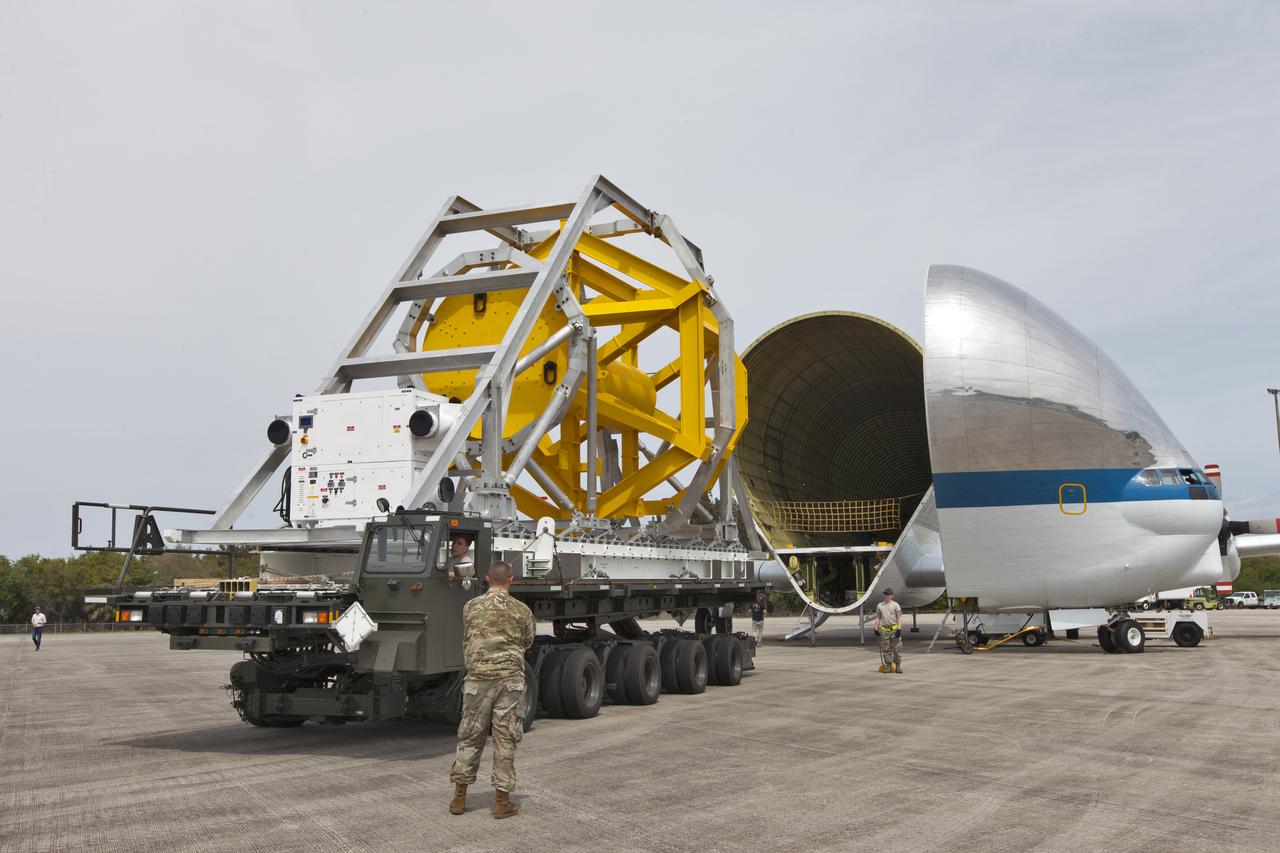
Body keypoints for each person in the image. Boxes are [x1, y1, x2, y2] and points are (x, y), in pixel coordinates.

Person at [449, 560, 535, 819]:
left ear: (487, 579)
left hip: (478, 680)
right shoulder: (521, 610)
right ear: (511, 580)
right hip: (509, 680)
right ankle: (501, 801)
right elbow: (528, 641)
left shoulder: (471, 606)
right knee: (505, 737)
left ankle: (459, 799)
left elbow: (468, 636)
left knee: (470, 736)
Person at [871, 588, 903, 674]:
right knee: (886, 649)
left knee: (897, 648)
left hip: (894, 629)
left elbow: (899, 618)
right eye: (885, 594)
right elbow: (878, 618)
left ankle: (898, 666)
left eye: (888, 594)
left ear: (891, 596)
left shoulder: (896, 605)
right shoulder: (880, 605)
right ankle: (888, 666)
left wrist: (899, 629)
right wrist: (876, 628)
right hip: (884, 630)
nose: (886, 596)